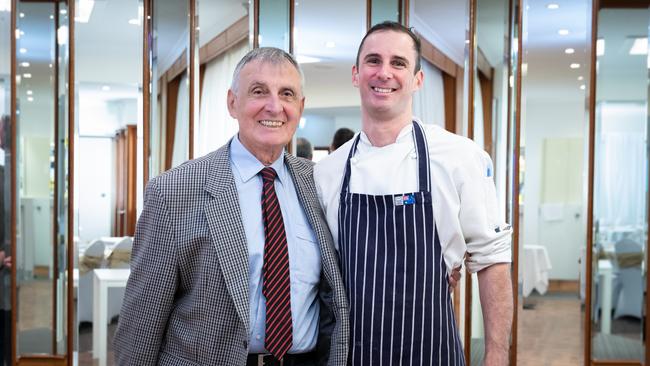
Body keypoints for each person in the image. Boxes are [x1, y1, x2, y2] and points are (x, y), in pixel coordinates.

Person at [115, 47, 349, 366]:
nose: (274, 106)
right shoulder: (173, 191)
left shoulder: (321, 183)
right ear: (232, 102)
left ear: (300, 106)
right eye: (258, 91)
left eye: (287, 94)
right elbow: (141, 323)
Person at [314, 22, 513, 366]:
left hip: (431, 351)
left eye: (399, 63)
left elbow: (492, 260)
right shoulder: (328, 172)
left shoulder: (458, 157)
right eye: (373, 61)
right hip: (351, 356)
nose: (384, 73)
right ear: (356, 74)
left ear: (417, 79)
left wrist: (496, 355)